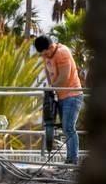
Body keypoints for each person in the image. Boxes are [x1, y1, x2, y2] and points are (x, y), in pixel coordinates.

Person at [33, 35, 83, 164]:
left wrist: (52, 88)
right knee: (64, 128)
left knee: (69, 128)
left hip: (72, 96)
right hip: (60, 96)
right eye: (42, 55)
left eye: (45, 53)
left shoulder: (62, 53)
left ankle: (73, 159)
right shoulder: (47, 56)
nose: (45, 56)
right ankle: (69, 158)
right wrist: (51, 88)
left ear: (50, 47)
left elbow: (64, 77)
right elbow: (47, 70)